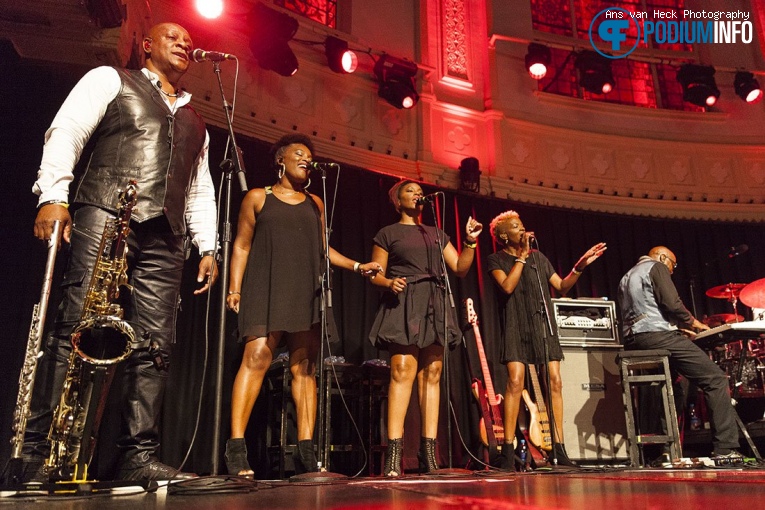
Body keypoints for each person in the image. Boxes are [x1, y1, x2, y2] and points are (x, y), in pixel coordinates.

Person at [24, 23, 218, 482]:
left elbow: (198, 187)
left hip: (166, 236)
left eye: (188, 40)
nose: (184, 42)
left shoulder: (197, 120)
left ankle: (137, 456)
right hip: (106, 212)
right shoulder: (111, 79)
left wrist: (207, 243)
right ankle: (39, 453)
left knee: (156, 346)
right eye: (172, 36)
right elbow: (67, 129)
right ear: (146, 45)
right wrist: (53, 194)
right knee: (77, 326)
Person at [224, 134, 381, 478]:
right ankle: (236, 449)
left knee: (305, 369)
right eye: (299, 153)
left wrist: (357, 266)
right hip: (266, 287)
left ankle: (307, 454)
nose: (306, 159)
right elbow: (241, 245)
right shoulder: (257, 197)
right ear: (280, 159)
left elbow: (324, 249)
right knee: (256, 359)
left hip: (305, 289)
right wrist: (234, 288)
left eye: (310, 156)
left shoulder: (315, 203)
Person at [367, 180, 483, 477]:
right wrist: (388, 282)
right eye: (410, 190)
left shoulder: (436, 234)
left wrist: (469, 242)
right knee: (402, 371)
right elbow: (374, 274)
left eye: (420, 190)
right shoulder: (387, 233)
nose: (417, 193)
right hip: (404, 301)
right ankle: (394, 454)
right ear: (397, 200)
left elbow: (459, 268)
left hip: (435, 302)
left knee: (432, 374)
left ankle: (428, 453)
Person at [486, 211, 606, 469]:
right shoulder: (495, 259)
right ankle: (507, 451)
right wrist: (520, 258)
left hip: (542, 323)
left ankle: (559, 448)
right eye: (517, 227)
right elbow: (507, 286)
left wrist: (579, 267)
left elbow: (561, 286)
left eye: (523, 225)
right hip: (515, 324)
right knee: (515, 381)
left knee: (555, 381)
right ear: (504, 235)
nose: (523, 230)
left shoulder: (538, 258)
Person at [617, 246, 742, 462]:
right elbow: (672, 304)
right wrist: (695, 324)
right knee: (715, 379)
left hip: (634, 341)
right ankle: (726, 450)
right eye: (673, 266)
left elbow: (644, 313)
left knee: (675, 387)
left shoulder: (626, 277)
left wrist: (676, 328)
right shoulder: (655, 267)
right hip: (657, 337)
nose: (672, 271)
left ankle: (668, 450)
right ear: (663, 258)